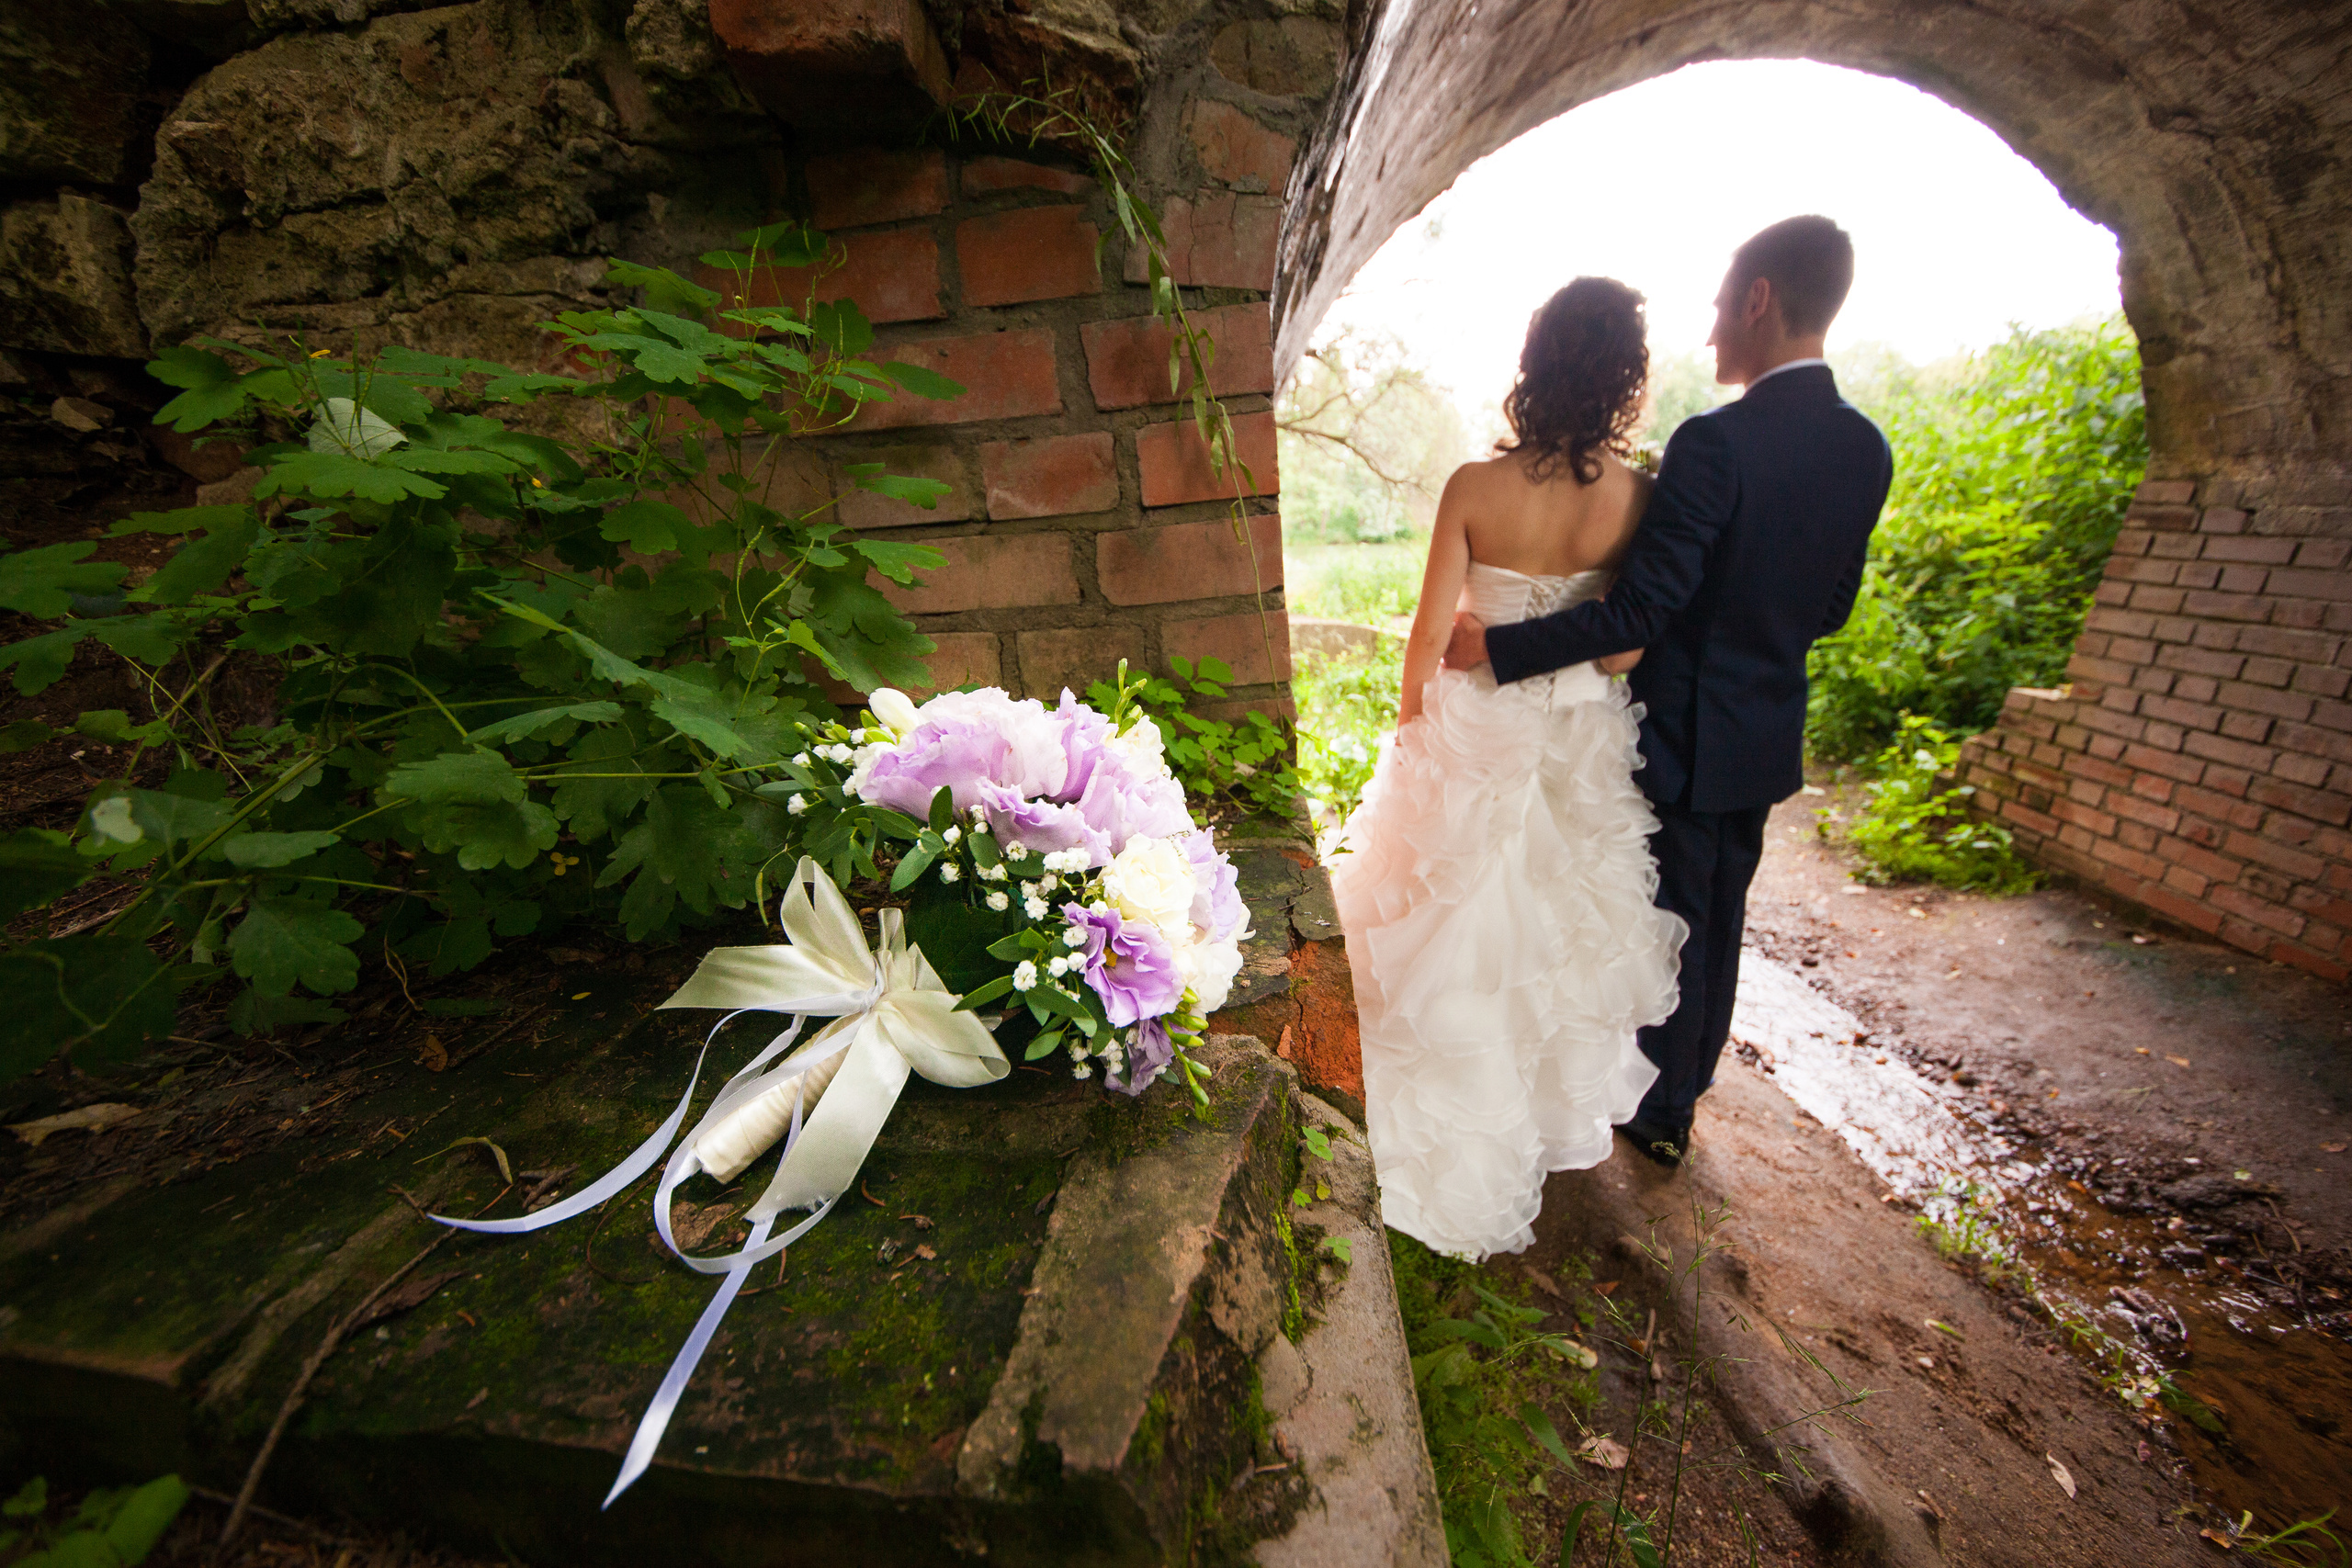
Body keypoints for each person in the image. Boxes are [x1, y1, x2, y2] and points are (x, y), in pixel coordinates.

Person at [1446, 216, 1894, 1168]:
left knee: (1669, 923)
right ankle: (1679, 1101)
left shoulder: (1715, 443)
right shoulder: (1866, 447)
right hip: (1764, 731)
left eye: (1722, 306)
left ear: (1759, 299)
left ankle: (1653, 1109)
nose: (1713, 328)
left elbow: (1638, 614)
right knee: (1720, 922)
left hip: (1683, 730)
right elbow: (1832, 608)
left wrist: (1497, 645)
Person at [1329, 276, 1688, 1259]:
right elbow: (1621, 651)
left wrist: (1412, 742)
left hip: (1473, 723)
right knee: (1554, 937)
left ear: (1536, 363)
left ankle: (1434, 1120)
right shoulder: (1639, 499)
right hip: (1578, 733)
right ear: (1626, 379)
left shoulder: (1473, 487)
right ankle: (1523, 1120)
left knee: (1453, 926)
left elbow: (1428, 638)